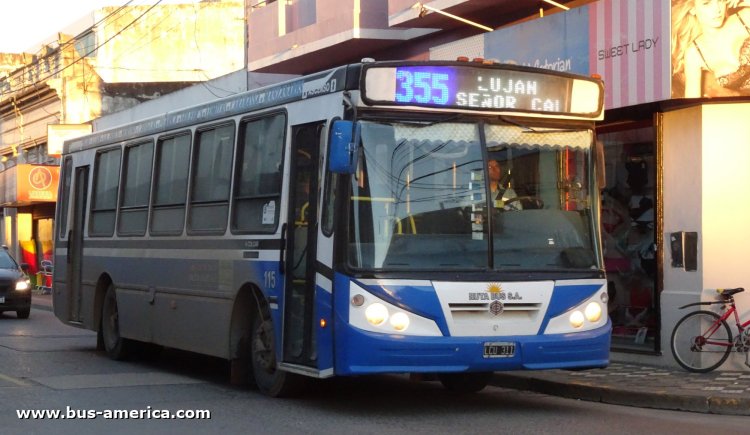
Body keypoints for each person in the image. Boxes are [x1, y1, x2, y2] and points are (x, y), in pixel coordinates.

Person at [672, 0, 750, 98]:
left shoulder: (745, 18)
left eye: (720, 1)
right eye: (706, 3)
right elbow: (692, 102)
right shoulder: (694, 53)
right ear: (692, 9)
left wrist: (747, 2)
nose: (717, 9)